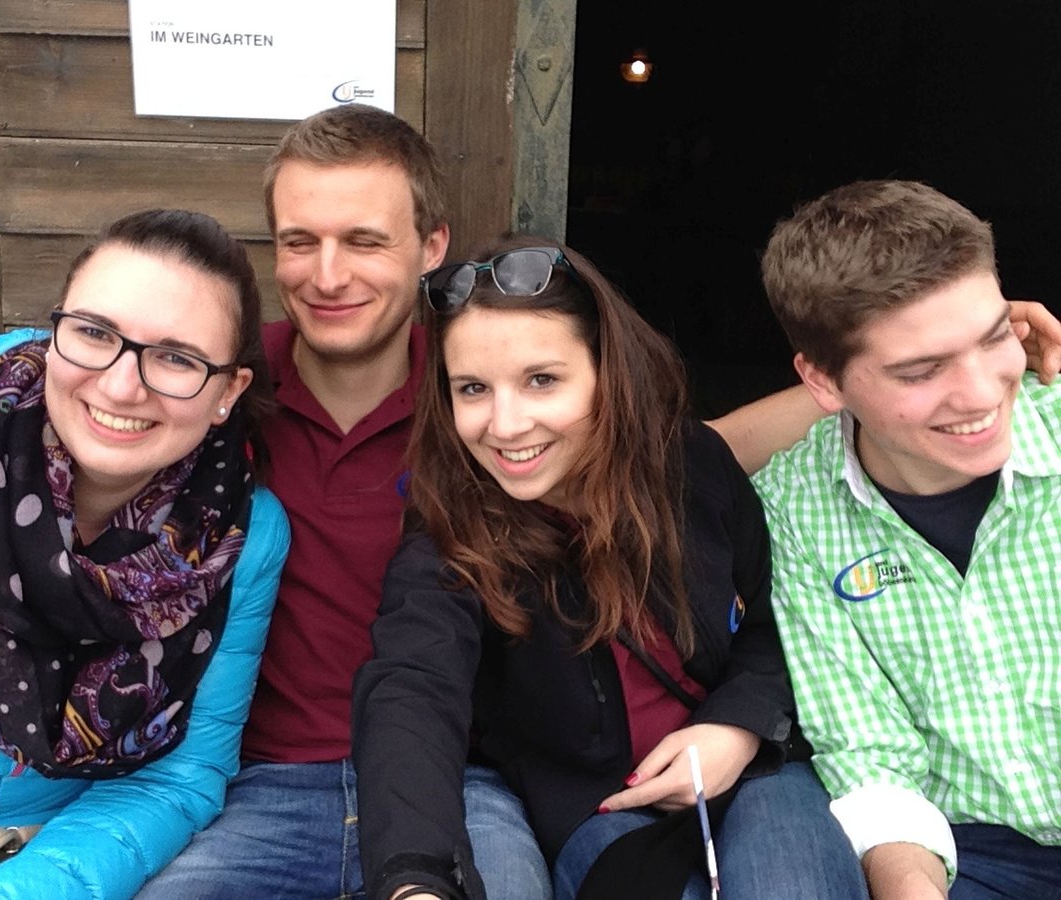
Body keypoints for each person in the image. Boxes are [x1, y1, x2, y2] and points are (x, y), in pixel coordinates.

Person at [352, 234, 869, 900]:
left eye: (542, 380)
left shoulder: (691, 469)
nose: (506, 425)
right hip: (602, 806)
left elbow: (778, 620)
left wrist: (738, 726)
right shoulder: (453, 534)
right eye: (473, 388)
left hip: (753, 771)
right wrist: (415, 878)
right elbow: (411, 690)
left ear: (607, 372)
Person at [134, 106, 551, 898]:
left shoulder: (481, 396)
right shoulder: (219, 385)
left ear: (431, 247)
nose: (327, 277)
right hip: (253, 788)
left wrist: (817, 389)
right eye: (300, 241)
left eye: (363, 241)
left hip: (458, 782)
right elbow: (75, 387)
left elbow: (657, 444)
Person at [0, 209, 290, 898]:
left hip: (35, 864)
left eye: (176, 358)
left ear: (228, 392)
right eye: (94, 333)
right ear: (54, 332)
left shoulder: (238, 537)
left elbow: (176, 778)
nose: (121, 386)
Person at [752, 179, 1061, 899]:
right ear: (822, 383)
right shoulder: (792, 510)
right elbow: (870, 757)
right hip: (967, 854)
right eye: (922, 371)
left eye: (996, 338)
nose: (981, 393)